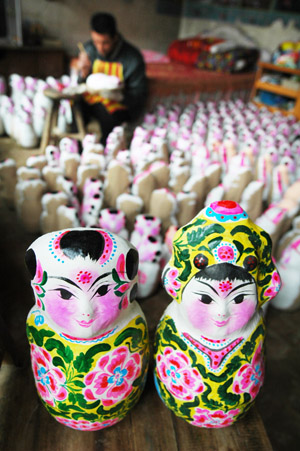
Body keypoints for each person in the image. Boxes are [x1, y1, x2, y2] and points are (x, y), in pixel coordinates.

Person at [77, 12, 147, 144]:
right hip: (91, 101)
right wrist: (83, 74)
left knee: (108, 119)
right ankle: (78, 148)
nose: (100, 48)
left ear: (115, 37)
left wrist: (119, 96)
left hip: (117, 106)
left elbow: (139, 95)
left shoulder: (132, 58)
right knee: (74, 107)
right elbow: (80, 83)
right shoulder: (88, 50)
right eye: (96, 42)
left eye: (105, 43)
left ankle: (106, 150)